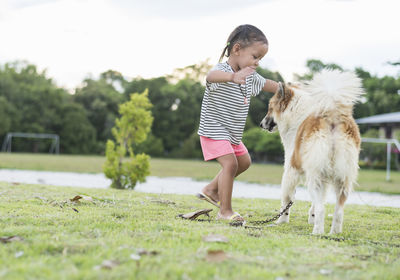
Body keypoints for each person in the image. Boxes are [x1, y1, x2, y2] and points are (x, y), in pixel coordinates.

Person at [196, 24, 280, 222]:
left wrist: (289, 89)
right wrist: (232, 78)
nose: (257, 62)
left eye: (260, 58)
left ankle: (211, 189)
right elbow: (210, 76)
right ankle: (225, 211)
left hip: (232, 134)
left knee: (244, 162)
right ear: (237, 49)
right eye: (255, 56)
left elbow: (268, 84)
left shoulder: (250, 76)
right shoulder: (223, 70)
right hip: (214, 130)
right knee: (230, 164)